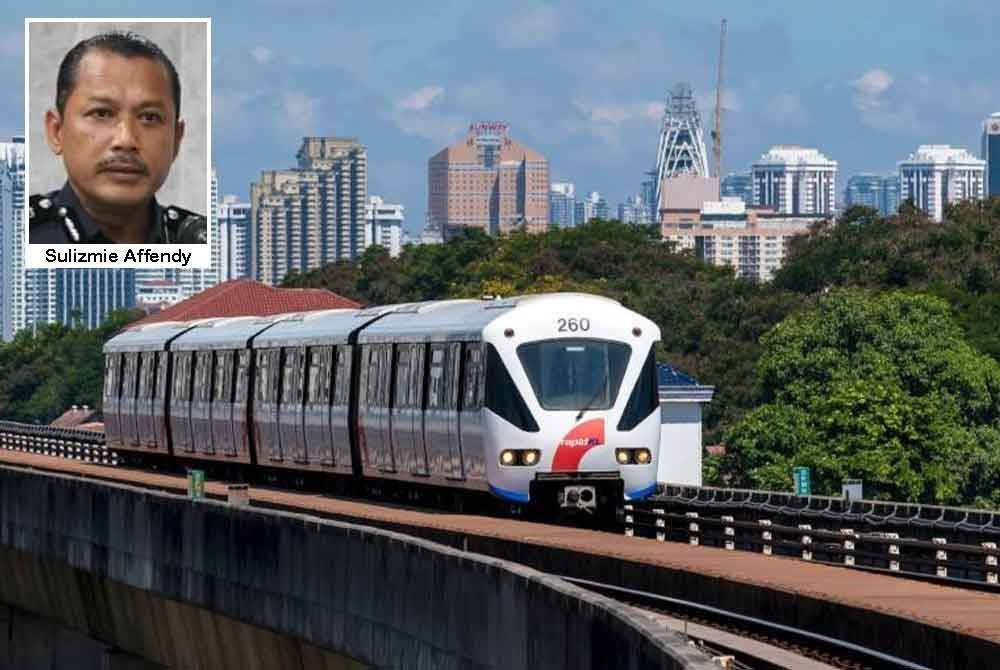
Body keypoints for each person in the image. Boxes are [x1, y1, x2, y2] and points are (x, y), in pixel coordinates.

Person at [30, 31, 205, 244]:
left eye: (149, 117)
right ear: (56, 131)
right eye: (101, 113)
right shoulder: (17, 236)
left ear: (176, 140)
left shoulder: (200, 241)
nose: (126, 140)